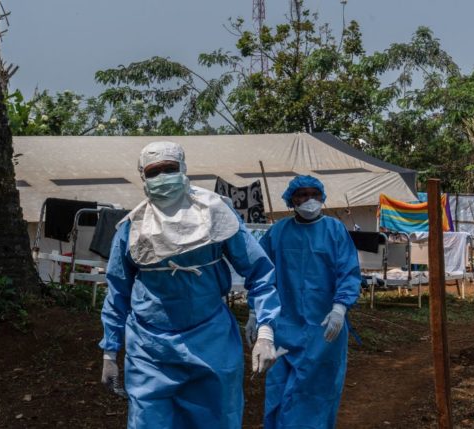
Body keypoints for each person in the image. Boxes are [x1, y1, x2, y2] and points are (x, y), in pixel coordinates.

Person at [99, 141, 281, 428]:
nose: (162, 177)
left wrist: (266, 331)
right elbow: (118, 292)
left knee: (216, 418)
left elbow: (258, 271)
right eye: (153, 171)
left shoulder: (216, 213)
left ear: (183, 169)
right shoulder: (132, 228)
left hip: (211, 341)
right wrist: (110, 351)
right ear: (143, 177)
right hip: (150, 350)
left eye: (169, 169)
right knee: (149, 421)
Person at [248, 175, 361, 429]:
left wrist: (339, 308)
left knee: (313, 393)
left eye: (314, 194)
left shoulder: (334, 230)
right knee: (278, 392)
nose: (308, 200)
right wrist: (256, 314)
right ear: (291, 200)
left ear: (322, 197)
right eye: (302, 195)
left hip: (323, 329)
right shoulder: (278, 232)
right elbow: (261, 275)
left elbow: (348, 272)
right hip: (282, 328)